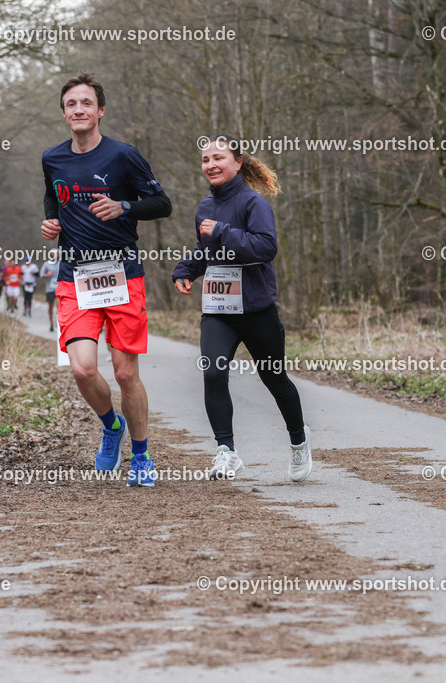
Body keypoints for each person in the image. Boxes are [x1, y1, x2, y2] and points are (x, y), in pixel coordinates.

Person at [40, 71, 172, 487]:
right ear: (64, 114)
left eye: (86, 103)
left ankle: (141, 456)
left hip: (122, 276)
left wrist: (125, 207)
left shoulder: (123, 155)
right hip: (74, 278)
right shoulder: (52, 157)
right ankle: (110, 425)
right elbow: (52, 195)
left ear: (100, 110)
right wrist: (51, 222)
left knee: (126, 374)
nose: (78, 110)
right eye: (71, 104)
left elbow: (161, 204)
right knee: (81, 370)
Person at [172, 134, 312, 482]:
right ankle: (226, 451)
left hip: (256, 308)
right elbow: (208, 251)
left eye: (218, 158)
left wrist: (222, 230)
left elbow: (265, 248)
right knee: (213, 372)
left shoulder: (254, 203)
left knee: (273, 378)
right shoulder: (205, 207)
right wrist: (186, 269)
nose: (211, 165)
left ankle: (299, 441)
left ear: (237, 162)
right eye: (206, 159)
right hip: (219, 308)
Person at [40, 249, 60, 331]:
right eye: (54, 254)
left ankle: (58, 323)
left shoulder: (61, 263)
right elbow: (41, 274)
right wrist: (47, 275)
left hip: (59, 288)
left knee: (60, 306)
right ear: (51, 255)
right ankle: (51, 323)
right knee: (50, 307)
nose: (56, 255)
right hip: (50, 288)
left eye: (57, 254)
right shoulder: (47, 264)